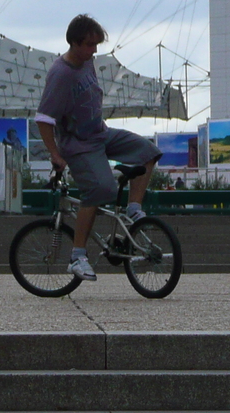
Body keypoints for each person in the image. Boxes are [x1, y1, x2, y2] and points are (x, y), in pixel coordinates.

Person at [36, 14, 162, 281]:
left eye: (96, 45)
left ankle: (133, 210)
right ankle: (77, 256)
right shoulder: (60, 74)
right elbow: (44, 119)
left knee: (148, 152)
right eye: (90, 45)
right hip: (78, 146)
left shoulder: (87, 62)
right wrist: (55, 154)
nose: (95, 51)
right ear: (75, 43)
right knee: (101, 189)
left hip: (100, 134)